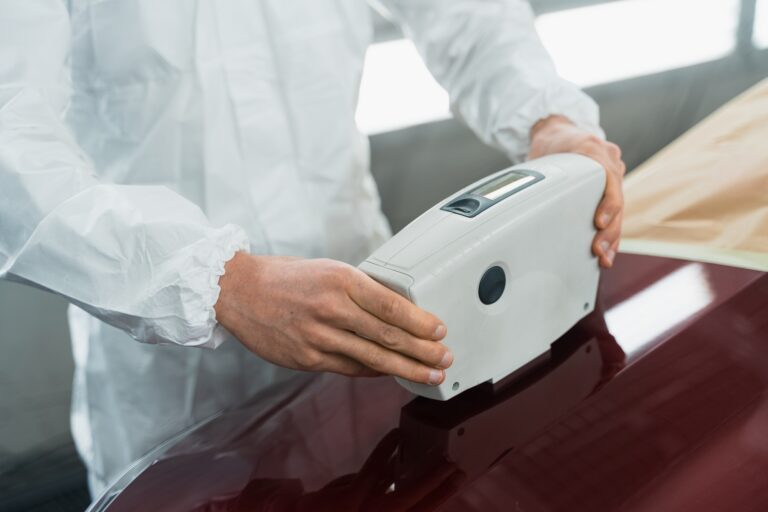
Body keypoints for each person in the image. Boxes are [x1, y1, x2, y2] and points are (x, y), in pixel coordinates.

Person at [0, 0, 625, 497]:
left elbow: (466, 16)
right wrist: (220, 282)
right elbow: (12, 143)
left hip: (367, 309)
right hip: (170, 361)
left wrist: (547, 116)